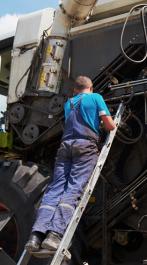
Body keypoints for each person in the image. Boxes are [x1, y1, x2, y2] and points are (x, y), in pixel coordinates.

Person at [25, 76, 116, 251]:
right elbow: (110, 126)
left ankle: (35, 236)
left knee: (55, 189)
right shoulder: (95, 97)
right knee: (73, 189)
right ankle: (54, 235)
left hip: (65, 147)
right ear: (91, 87)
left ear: (75, 90)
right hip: (85, 146)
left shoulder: (69, 104)